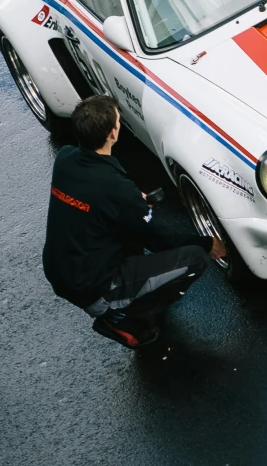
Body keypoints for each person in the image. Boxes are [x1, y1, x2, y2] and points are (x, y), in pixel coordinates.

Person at [42, 94, 220, 354]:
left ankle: (127, 300)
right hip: (94, 287)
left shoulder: (66, 158)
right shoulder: (115, 188)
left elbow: (96, 199)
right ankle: (125, 320)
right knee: (194, 259)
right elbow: (161, 240)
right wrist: (208, 243)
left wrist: (129, 205)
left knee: (127, 232)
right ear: (113, 133)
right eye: (118, 120)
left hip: (62, 270)